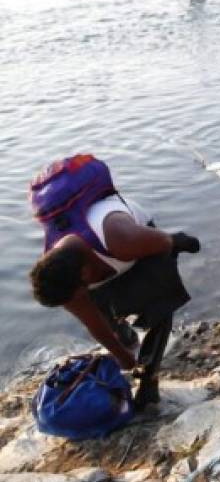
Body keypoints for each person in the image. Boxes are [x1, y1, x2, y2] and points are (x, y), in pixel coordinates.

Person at [29, 174, 199, 411]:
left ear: (85, 274)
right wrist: (123, 357)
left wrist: (181, 243)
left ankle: (150, 380)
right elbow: (94, 323)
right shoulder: (61, 281)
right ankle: (128, 337)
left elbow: (168, 241)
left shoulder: (121, 238)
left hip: (143, 247)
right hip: (101, 265)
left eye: (80, 294)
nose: (78, 302)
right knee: (110, 322)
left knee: (160, 304)